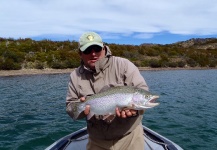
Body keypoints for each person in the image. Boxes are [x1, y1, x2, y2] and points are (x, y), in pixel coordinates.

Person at [66, 31, 149, 150]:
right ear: (80, 53)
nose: (93, 53)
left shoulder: (123, 65)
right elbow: (70, 107)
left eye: (97, 48)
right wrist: (80, 110)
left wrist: (135, 111)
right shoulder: (75, 76)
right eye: (87, 50)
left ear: (104, 48)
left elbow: (141, 90)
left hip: (130, 138)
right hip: (96, 141)